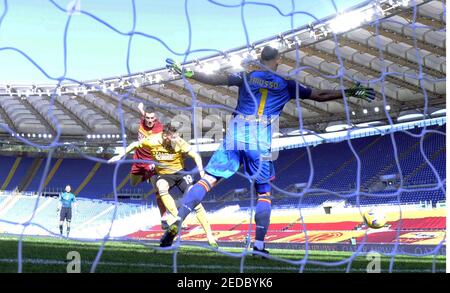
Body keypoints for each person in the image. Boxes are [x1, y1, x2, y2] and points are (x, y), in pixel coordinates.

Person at [161, 45, 375, 254]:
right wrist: (349, 92)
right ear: (278, 60)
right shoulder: (287, 84)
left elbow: (216, 79)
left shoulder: (247, 76)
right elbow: (319, 95)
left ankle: (179, 219)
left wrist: (187, 71)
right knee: (264, 194)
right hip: (260, 143)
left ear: (259, 59)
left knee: (207, 181)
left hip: (234, 136)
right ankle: (259, 246)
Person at [109, 123, 218, 248]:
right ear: (165, 136)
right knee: (161, 186)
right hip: (164, 174)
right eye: (173, 137)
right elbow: (134, 145)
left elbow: (196, 155)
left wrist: (201, 171)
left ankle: (210, 236)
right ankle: (176, 218)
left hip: (181, 173)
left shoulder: (179, 141)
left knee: (196, 202)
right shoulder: (152, 140)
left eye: (176, 137)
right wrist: (120, 155)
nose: (176, 140)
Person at [131, 103, 168, 228]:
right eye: (148, 118)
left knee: (158, 189)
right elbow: (143, 114)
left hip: (151, 162)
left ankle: (163, 218)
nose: (150, 121)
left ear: (155, 118)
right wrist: (140, 108)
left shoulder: (159, 129)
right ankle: (144, 177)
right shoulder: (143, 120)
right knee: (133, 182)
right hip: (137, 159)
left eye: (153, 118)